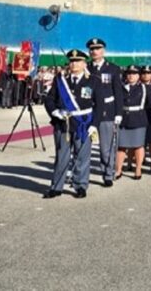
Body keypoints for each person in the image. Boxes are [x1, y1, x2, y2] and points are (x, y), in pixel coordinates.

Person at [43, 49, 103, 199]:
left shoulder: (93, 81)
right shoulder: (60, 80)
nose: (74, 64)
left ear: (84, 63)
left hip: (84, 123)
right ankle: (56, 187)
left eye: (77, 61)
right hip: (64, 123)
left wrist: (94, 124)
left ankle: (80, 185)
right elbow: (49, 99)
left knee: (82, 156)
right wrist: (55, 112)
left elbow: (100, 105)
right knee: (61, 156)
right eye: (71, 61)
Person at [86, 38, 124, 187]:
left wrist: (118, 113)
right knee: (84, 146)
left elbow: (118, 92)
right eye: (92, 49)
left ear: (103, 50)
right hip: (90, 112)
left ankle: (108, 174)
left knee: (106, 147)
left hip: (107, 113)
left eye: (98, 48)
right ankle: (81, 174)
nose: (94, 51)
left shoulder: (112, 69)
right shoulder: (86, 68)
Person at [116, 65, 151, 180]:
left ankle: (138, 169)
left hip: (138, 119)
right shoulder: (121, 87)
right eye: (128, 73)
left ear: (138, 76)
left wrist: (140, 109)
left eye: (133, 73)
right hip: (124, 119)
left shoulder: (144, 88)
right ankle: (118, 169)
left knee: (138, 145)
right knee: (121, 146)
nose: (130, 76)